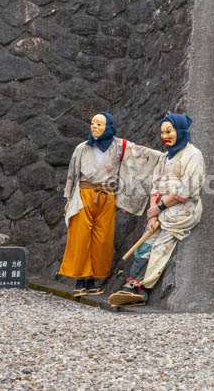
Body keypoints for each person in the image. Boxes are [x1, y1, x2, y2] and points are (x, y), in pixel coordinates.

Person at [59, 113, 163, 297]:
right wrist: (69, 198)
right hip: (84, 195)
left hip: (106, 196)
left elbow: (141, 154)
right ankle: (80, 281)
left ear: (108, 126)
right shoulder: (82, 149)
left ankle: (92, 281)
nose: (94, 127)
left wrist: (164, 158)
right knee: (81, 237)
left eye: (99, 124)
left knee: (102, 239)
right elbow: (72, 175)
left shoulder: (119, 146)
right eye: (92, 123)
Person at [109, 114, 206, 307]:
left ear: (180, 131)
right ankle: (133, 284)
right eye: (163, 132)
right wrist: (153, 213)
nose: (165, 136)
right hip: (161, 209)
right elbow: (155, 186)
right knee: (146, 241)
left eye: (169, 131)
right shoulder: (164, 158)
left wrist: (159, 208)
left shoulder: (193, 155)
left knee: (161, 245)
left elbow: (186, 190)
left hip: (182, 210)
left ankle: (143, 289)